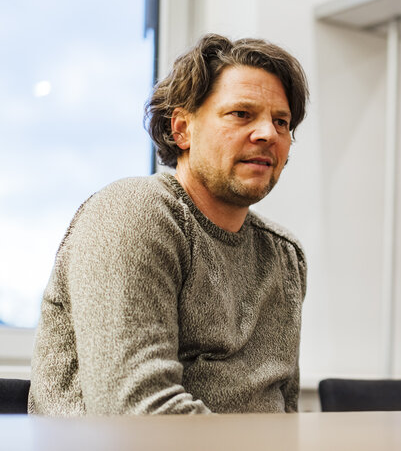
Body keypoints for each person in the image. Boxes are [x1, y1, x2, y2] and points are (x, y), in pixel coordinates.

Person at [28, 33, 310, 415]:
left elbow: (285, 416)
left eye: (281, 122)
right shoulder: (132, 214)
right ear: (182, 129)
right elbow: (136, 412)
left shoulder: (284, 254)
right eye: (241, 114)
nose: (268, 134)